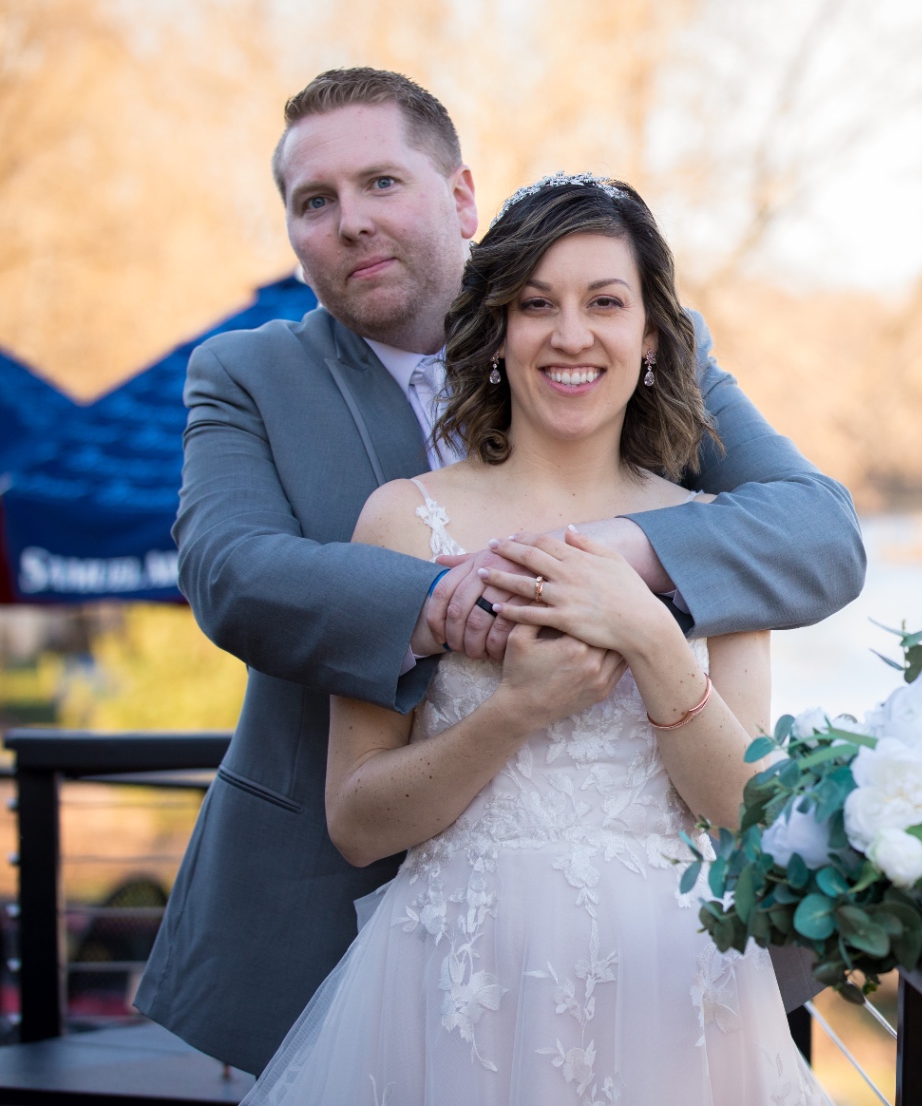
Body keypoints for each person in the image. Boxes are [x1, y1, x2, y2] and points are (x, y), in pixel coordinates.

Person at [135, 69, 864, 1076]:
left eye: (382, 182)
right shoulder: (249, 375)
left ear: (462, 196)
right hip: (347, 926)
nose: (351, 221)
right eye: (316, 201)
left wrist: (626, 563)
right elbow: (228, 571)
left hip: (653, 963)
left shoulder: (633, 344)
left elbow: (815, 531)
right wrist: (444, 599)